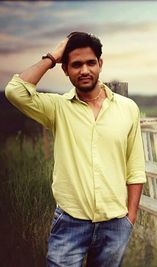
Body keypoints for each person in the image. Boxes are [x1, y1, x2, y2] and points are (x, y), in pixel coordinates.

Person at [5, 32, 146, 266]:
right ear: (65, 70)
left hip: (116, 223)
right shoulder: (57, 108)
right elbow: (15, 91)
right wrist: (53, 56)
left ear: (100, 64)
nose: (84, 70)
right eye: (76, 64)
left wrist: (130, 217)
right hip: (70, 223)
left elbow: (136, 167)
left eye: (91, 62)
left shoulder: (128, 108)